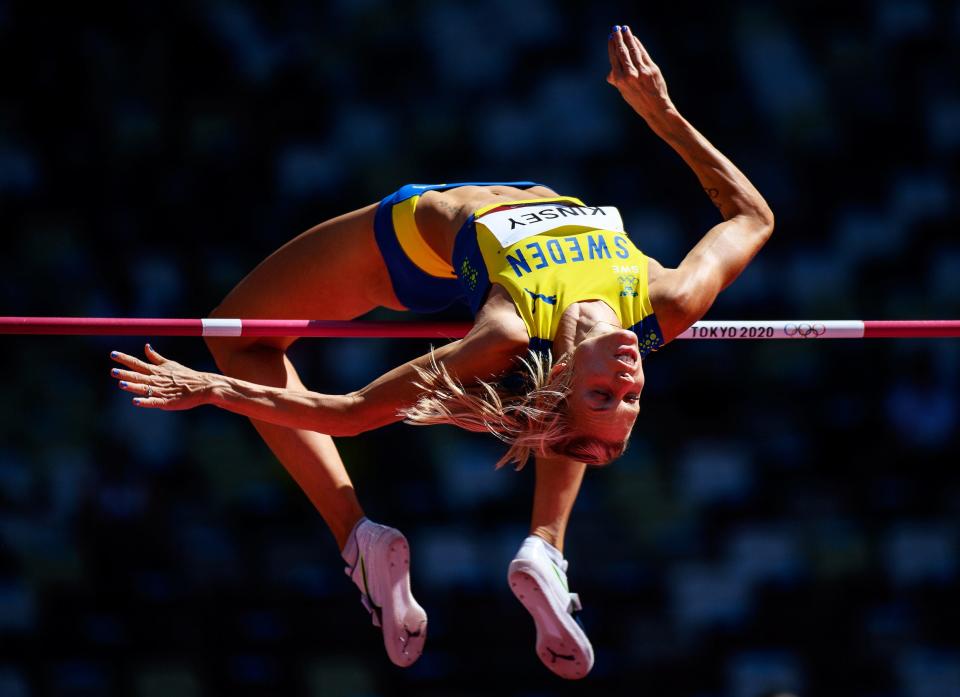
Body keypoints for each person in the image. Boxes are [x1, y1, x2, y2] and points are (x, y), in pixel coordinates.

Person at [108, 26, 773, 679]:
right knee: (559, 425)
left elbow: (352, 409)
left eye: (605, 393)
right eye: (632, 398)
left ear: (566, 373)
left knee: (233, 333)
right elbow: (752, 217)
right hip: (500, 266)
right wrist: (664, 113)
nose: (629, 377)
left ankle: (359, 539)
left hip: (409, 252)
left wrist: (213, 389)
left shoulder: (511, 327)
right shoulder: (668, 300)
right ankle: (545, 547)